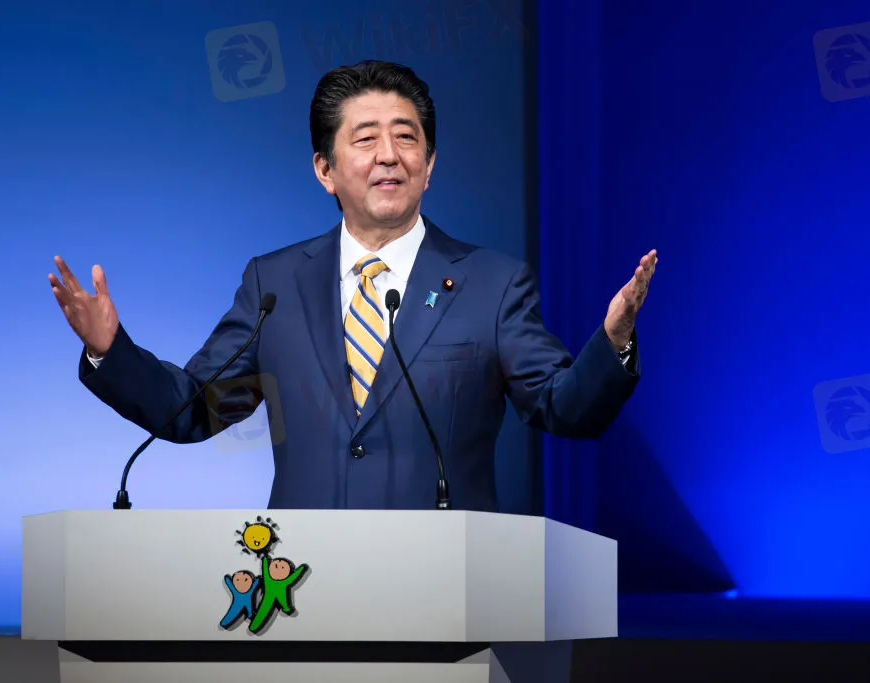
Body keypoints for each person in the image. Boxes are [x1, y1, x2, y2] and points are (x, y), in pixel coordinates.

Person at [48, 60, 657, 512]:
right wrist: (110, 351)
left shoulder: (493, 284)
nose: (389, 155)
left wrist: (613, 343)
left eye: (407, 137)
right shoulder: (274, 284)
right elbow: (193, 410)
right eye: (365, 139)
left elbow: (563, 406)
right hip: (303, 588)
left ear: (430, 165)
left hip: (447, 586)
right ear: (325, 169)